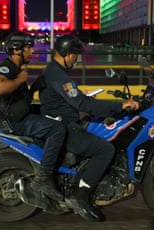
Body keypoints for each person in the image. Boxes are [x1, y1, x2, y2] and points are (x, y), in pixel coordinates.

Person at [38, 34, 139, 222]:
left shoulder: (53, 71)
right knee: (105, 149)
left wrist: (81, 103)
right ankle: (80, 195)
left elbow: (70, 99)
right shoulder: (58, 74)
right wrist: (119, 105)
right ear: (67, 53)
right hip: (63, 126)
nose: (76, 59)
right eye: (75, 55)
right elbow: (81, 102)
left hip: (61, 119)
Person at [0, 31, 67, 201]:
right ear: (17, 50)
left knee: (56, 115)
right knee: (57, 129)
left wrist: (35, 87)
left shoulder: (15, 68)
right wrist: (21, 80)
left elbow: (19, 98)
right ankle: (44, 178)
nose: (32, 52)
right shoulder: (6, 68)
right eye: (28, 48)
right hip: (12, 121)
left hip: (18, 114)